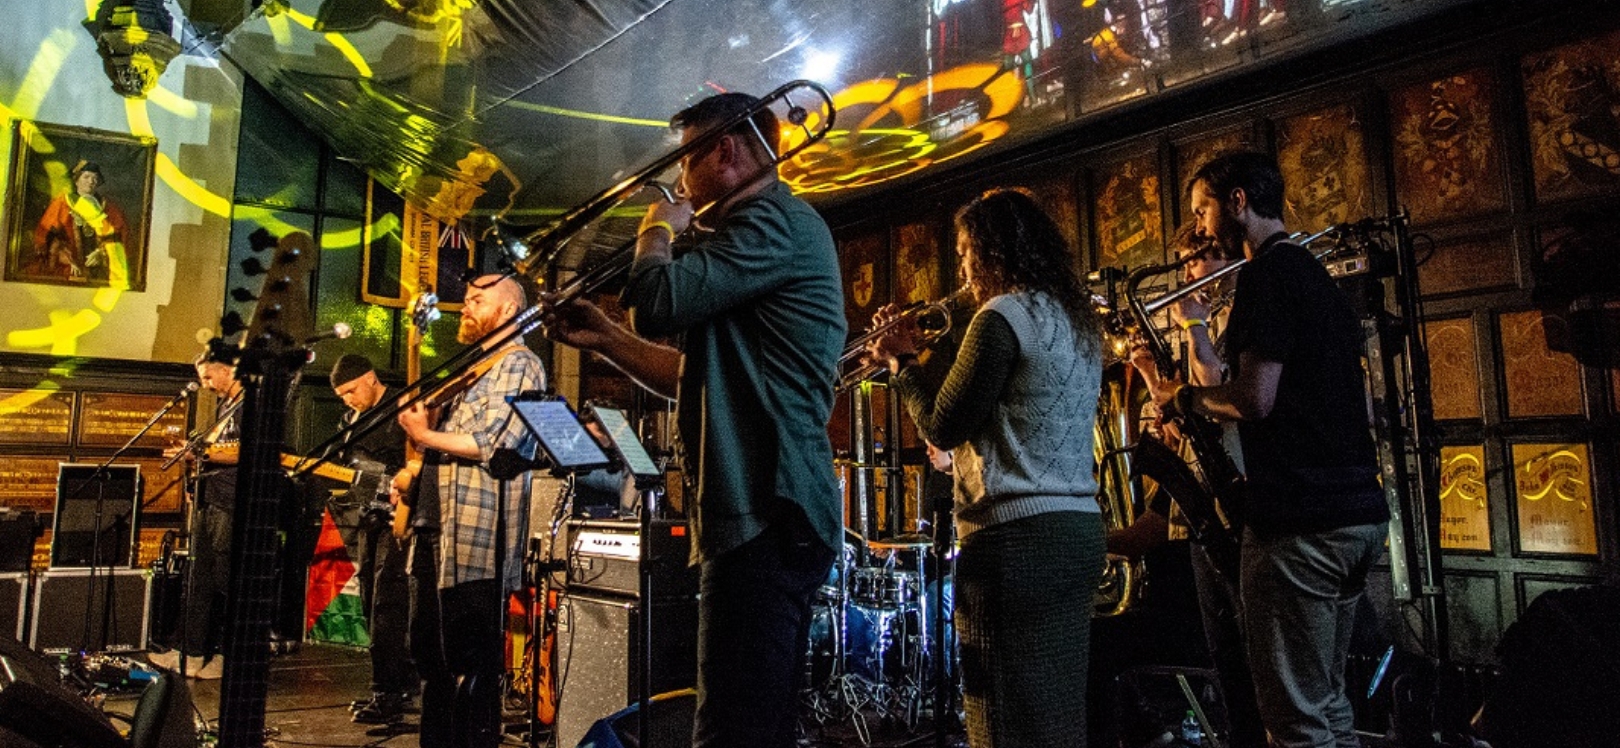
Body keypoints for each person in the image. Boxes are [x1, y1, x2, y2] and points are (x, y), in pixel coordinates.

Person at [543, 91, 845, 748]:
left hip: (768, 509)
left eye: (685, 161)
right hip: (765, 513)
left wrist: (658, 226)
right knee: (750, 723)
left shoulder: (772, 224)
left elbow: (655, 302)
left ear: (724, 151)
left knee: (732, 732)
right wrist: (608, 342)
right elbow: (696, 376)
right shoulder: (756, 237)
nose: (679, 181)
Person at [1146, 151, 1388, 748]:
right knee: (1329, 708)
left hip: (1299, 526)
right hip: (1357, 515)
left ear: (1237, 202)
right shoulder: (1315, 276)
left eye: (1203, 210)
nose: (1200, 227)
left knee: (1295, 722)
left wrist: (1184, 401)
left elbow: (1255, 399)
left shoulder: (1263, 275)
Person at [864, 187, 1105, 747]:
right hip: (1077, 531)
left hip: (1015, 541)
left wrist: (900, 361)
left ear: (995, 250)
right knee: (1055, 717)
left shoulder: (1002, 316)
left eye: (968, 249)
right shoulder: (1074, 319)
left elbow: (943, 425)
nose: (964, 265)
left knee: (998, 717)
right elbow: (1012, 417)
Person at [1112, 224, 1266, 748]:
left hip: (1246, 497)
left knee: (1255, 657)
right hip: (1205, 509)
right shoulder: (1202, 314)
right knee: (1228, 659)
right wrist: (1153, 379)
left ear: (1225, 258)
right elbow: (1192, 417)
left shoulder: (1243, 309)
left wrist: (1196, 328)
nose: (1186, 274)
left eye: (1195, 261)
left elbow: (1225, 395)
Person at [396, 274, 545, 748]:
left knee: (471, 666)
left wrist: (424, 435)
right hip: (434, 530)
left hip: (477, 539)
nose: (466, 307)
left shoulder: (520, 364)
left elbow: (493, 442)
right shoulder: (474, 369)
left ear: (505, 311)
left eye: (477, 300)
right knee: (431, 663)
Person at [328, 354, 418, 724]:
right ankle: (399, 681)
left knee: (387, 601)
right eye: (342, 395)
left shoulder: (402, 407)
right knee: (369, 595)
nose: (349, 399)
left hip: (400, 519)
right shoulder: (349, 421)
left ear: (370, 377)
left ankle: (387, 692)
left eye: (351, 390)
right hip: (368, 518)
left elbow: (417, 460)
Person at [150, 349, 241, 680]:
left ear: (228, 369)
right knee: (198, 578)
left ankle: (224, 653)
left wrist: (200, 451)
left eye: (208, 376)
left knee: (224, 581)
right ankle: (190, 649)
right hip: (210, 498)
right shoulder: (225, 407)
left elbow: (249, 449)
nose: (205, 384)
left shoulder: (250, 405)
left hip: (231, 503)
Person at [31, 159, 129, 283]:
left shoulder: (109, 208)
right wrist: (66, 258)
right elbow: (46, 238)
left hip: (99, 273)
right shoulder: (62, 204)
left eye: (95, 178)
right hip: (67, 270)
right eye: (86, 177)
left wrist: (102, 253)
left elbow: (118, 237)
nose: (91, 181)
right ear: (76, 180)